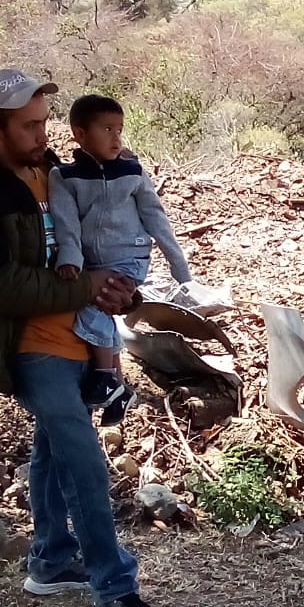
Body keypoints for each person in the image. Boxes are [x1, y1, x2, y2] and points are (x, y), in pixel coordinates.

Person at [0, 68, 160, 607]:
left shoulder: (57, 170)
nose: (43, 134)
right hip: (30, 345)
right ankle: (114, 589)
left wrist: (122, 291)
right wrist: (87, 287)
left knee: (51, 448)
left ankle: (50, 560)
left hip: (81, 337)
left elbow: (101, 242)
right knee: (82, 457)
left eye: (44, 122)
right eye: (28, 126)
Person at [49, 93, 195, 425]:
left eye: (119, 129)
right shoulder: (65, 176)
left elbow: (156, 218)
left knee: (96, 305)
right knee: (97, 307)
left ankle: (105, 377)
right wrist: (70, 259)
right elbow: (66, 222)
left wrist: (180, 268)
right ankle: (117, 387)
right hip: (90, 261)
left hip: (130, 256)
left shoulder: (132, 172)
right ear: (80, 134)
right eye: (107, 129)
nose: (116, 138)